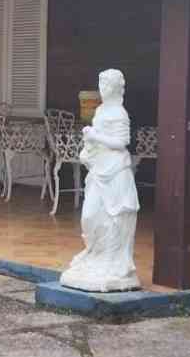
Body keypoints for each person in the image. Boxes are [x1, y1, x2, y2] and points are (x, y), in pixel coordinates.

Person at [60, 68, 142, 292]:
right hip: (99, 169)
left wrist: (95, 136)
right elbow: (95, 140)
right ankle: (95, 256)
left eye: (106, 85)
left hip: (115, 170)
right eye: (101, 85)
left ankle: (111, 262)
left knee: (114, 218)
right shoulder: (101, 110)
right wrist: (88, 149)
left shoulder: (119, 113)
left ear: (116, 88)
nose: (102, 90)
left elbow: (122, 142)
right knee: (89, 215)